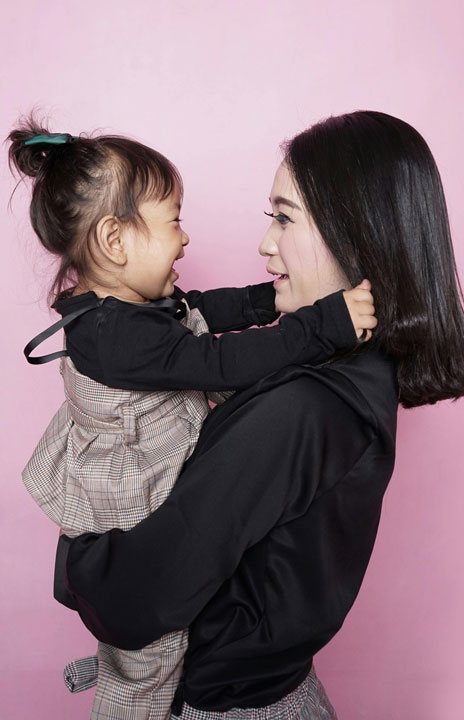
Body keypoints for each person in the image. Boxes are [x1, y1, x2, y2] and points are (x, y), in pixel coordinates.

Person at [54, 110, 464, 719]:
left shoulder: (302, 408)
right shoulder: (352, 375)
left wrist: (76, 548)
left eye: (285, 217)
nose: (264, 243)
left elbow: (133, 602)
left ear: (357, 233)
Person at [8, 118, 377, 720]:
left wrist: (266, 300)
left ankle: (116, 663)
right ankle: (125, 687)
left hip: (153, 474)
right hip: (127, 496)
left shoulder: (130, 310)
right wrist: (320, 324)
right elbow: (214, 360)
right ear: (114, 241)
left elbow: (199, 310)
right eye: (173, 221)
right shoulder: (109, 336)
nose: (184, 240)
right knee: (154, 650)